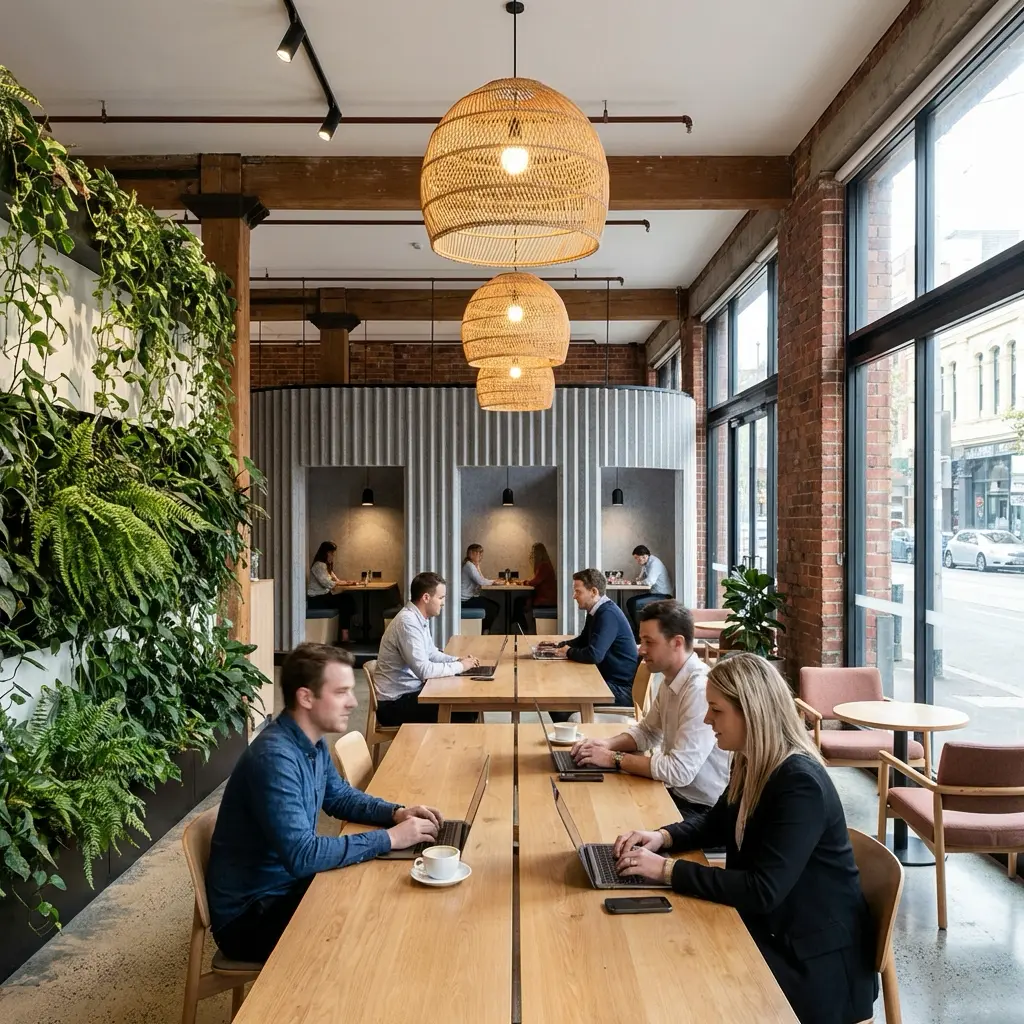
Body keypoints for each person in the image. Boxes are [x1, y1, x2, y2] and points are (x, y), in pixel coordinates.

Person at [612, 654, 877, 1024]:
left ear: (750, 712)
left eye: (716, 711)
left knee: (678, 977)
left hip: (811, 963)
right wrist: (661, 837)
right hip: (773, 929)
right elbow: (717, 822)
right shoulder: (751, 759)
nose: (707, 720)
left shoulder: (799, 783)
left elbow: (762, 890)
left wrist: (667, 871)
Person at [206, 644, 443, 963]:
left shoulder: (310, 741)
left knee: (383, 894)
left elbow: (339, 797)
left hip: (285, 887)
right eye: (341, 691)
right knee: (377, 922)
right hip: (252, 917)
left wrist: (395, 813)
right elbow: (303, 856)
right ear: (306, 697)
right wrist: (390, 838)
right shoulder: (275, 759)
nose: (354, 701)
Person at [571, 600, 728, 827]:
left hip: (701, 810)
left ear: (677, 643)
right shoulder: (671, 679)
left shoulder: (699, 690)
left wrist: (614, 759)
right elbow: (647, 732)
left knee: (604, 821)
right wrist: (605, 745)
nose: (641, 649)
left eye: (649, 642)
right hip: (676, 794)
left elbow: (679, 771)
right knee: (592, 805)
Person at [374, 571, 481, 726]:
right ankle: (442, 748)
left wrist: (458, 660)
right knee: (466, 710)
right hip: (394, 704)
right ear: (426, 597)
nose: (443, 603)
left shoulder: (418, 618)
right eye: (440, 598)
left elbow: (431, 653)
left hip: (410, 693)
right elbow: (424, 671)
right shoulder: (407, 623)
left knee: (468, 702)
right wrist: (459, 666)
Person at [544, 568, 638, 711]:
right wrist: (558, 646)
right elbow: (583, 640)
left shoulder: (607, 614)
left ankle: (578, 730)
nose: (574, 596)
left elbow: (594, 655)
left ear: (594, 592)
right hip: (606, 680)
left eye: (578, 591)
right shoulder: (597, 611)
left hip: (619, 689)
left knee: (559, 699)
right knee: (559, 689)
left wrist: (568, 652)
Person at [306, 541, 357, 643]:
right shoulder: (319, 565)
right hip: (317, 600)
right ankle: (346, 634)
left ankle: (347, 632)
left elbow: (336, 580)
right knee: (346, 601)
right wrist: (346, 584)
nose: (333, 556)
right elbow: (328, 583)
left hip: (324, 597)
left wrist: (349, 582)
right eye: (331, 553)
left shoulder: (325, 566)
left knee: (348, 599)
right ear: (326, 553)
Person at [626, 544, 673, 637]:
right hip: (655, 593)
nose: (637, 561)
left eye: (638, 559)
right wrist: (636, 580)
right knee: (630, 601)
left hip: (663, 595)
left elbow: (649, 581)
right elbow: (641, 578)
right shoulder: (646, 564)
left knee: (635, 603)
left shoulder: (654, 563)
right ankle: (637, 629)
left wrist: (639, 582)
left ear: (645, 556)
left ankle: (640, 632)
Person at [513, 541, 557, 633]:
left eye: (533, 553)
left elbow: (535, 581)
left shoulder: (544, 566)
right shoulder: (545, 565)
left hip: (546, 600)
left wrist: (524, 582)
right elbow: (536, 581)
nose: (531, 556)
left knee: (519, 602)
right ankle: (521, 626)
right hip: (546, 597)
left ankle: (522, 628)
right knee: (519, 601)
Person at [460, 544, 500, 633]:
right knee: (493, 607)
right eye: (478, 553)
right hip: (464, 601)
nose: (480, 555)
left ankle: (484, 630)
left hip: (468, 599)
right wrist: (494, 582)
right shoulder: (469, 566)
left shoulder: (471, 565)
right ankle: (484, 631)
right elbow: (481, 581)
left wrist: (478, 566)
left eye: (481, 553)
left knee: (494, 606)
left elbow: (481, 578)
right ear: (471, 553)